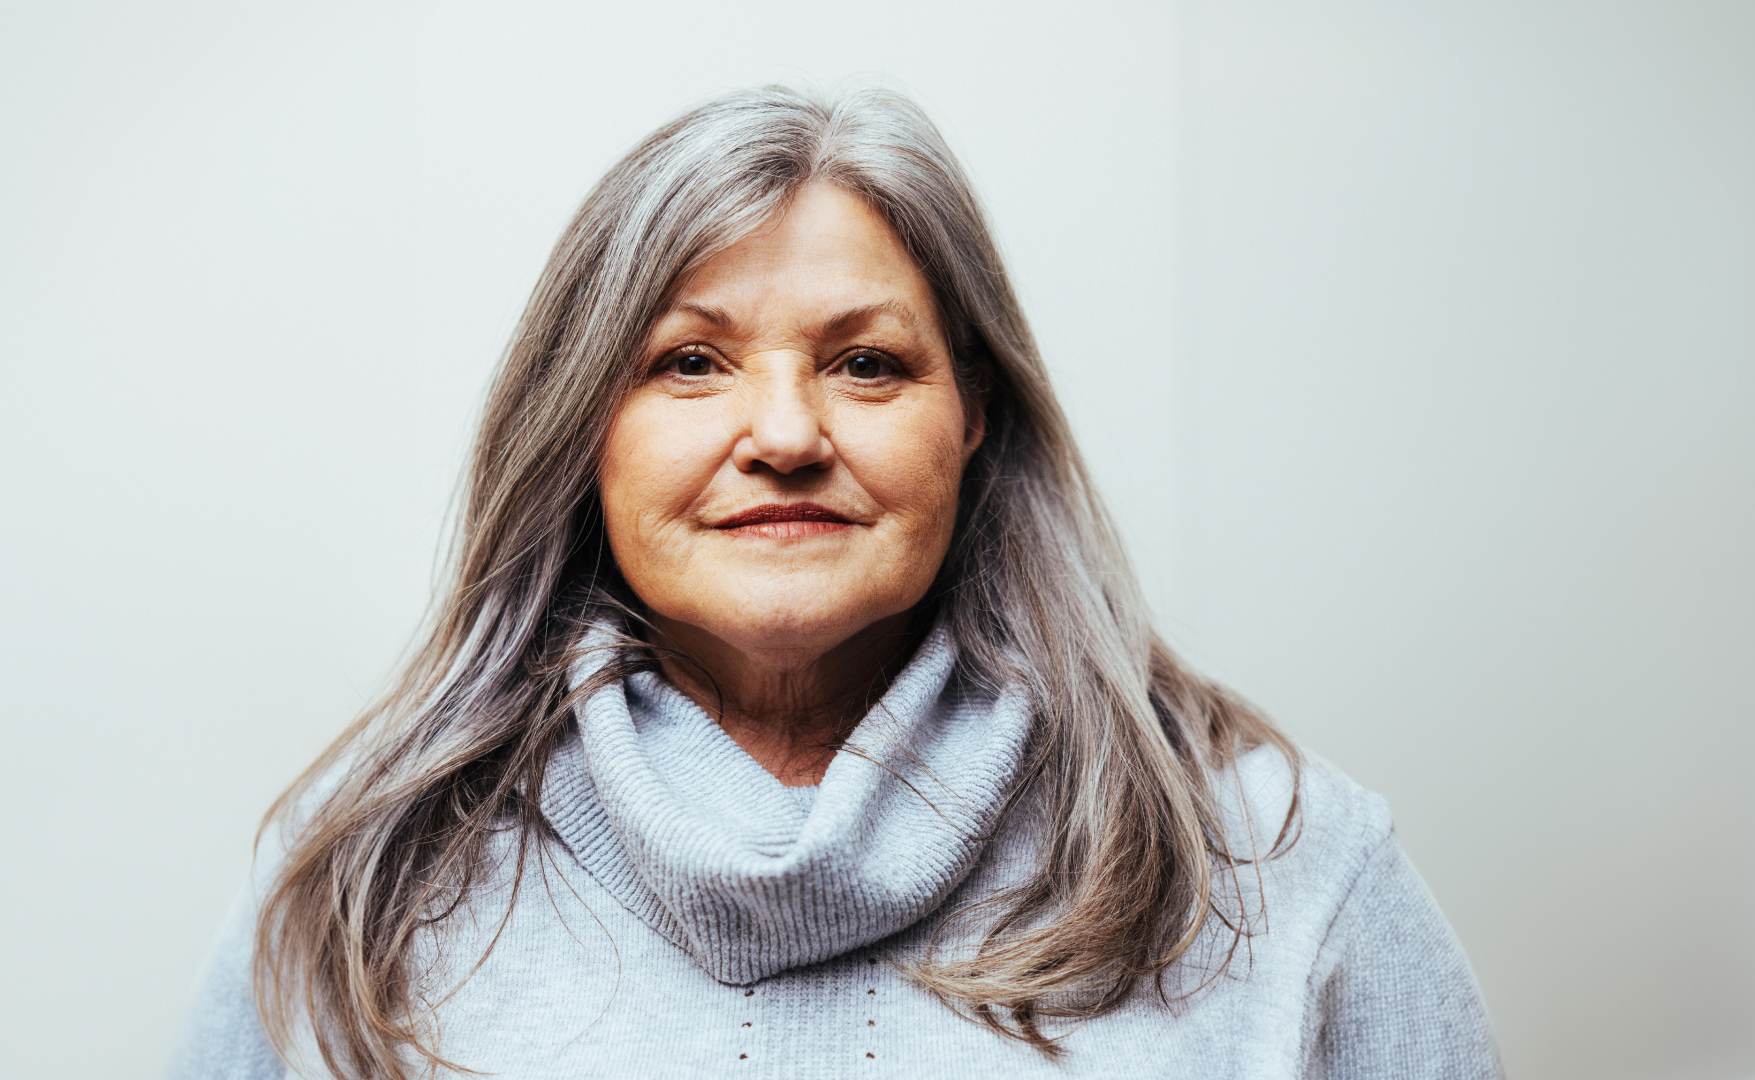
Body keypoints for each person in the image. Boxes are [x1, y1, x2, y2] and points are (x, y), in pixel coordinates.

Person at [172, 85, 1501, 1080]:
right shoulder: (357, 880)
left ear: (974, 414)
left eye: (868, 364)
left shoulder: (1280, 865)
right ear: (582, 423)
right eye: (690, 364)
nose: (789, 433)